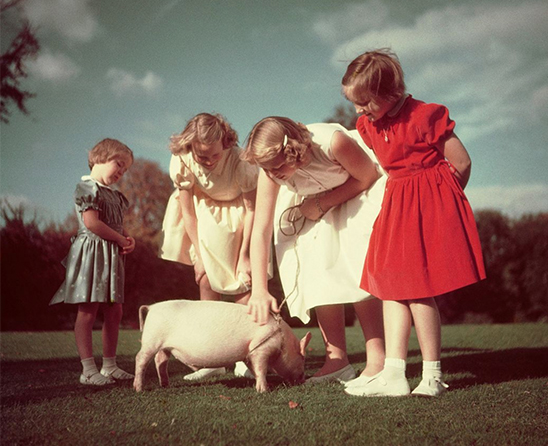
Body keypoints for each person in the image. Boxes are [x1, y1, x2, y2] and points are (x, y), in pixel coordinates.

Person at [341, 49, 486, 397]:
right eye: (355, 103)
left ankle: (432, 375)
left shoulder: (423, 115)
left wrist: (441, 207)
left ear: (389, 91)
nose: (360, 110)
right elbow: (389, 168)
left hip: (427, 203)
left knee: (419, 288)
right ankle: (394, 373)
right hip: (397, 203)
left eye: (366, 102)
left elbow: (461, 162)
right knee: (390, 283)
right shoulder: (368, 125)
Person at [244, 117, 386, 384]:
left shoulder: (333, 141)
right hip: (313, 202)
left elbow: (367, 176)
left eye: (276, 168)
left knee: (357, 267)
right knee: (317, 270)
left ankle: (377, 360)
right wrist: (259, 290)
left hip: (358, 192)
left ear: (291, 149)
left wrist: (322, 204)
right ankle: (337, 361)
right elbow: (261, 230)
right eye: (267, 170)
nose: (272, 175)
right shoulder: (270, 170)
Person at [160, 112, 261, 381]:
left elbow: (253, 209)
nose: (208, 162)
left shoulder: (240, 159)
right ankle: (213, 360)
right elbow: (188, 212)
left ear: (225, 144)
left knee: (242, 284)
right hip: (203, 214)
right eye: (201, 156)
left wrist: (245, 255)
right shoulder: (182, 159)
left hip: (240, 215)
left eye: (214, 155)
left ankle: (245, 358)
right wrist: (200, 257)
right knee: (205, 279)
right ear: (189, 146)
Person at [50, 138, 136, 386]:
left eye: (125, 169)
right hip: (92, 255)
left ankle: (109, 366)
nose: (121, 172)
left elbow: (118, 225)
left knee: (114, 309)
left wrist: (128, 239)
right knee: (88, 310)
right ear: (99, 158)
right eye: (118, 164)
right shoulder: (87, 188)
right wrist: (120, 239)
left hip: (111, 256)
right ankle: (88, 369)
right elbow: (92, 223)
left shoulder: (116, 196)